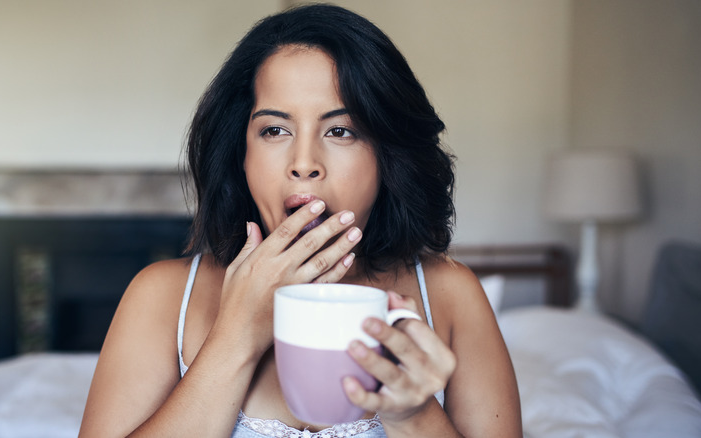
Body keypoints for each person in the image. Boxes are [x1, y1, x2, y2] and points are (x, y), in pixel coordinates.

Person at [80, 4, 521, 437]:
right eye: (274, 130)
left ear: (388, 156)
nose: (304, 163)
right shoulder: (161, 296)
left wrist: (413, 414)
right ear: (242, 154)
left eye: (340, 130)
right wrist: (235, 337)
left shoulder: (452, 294)